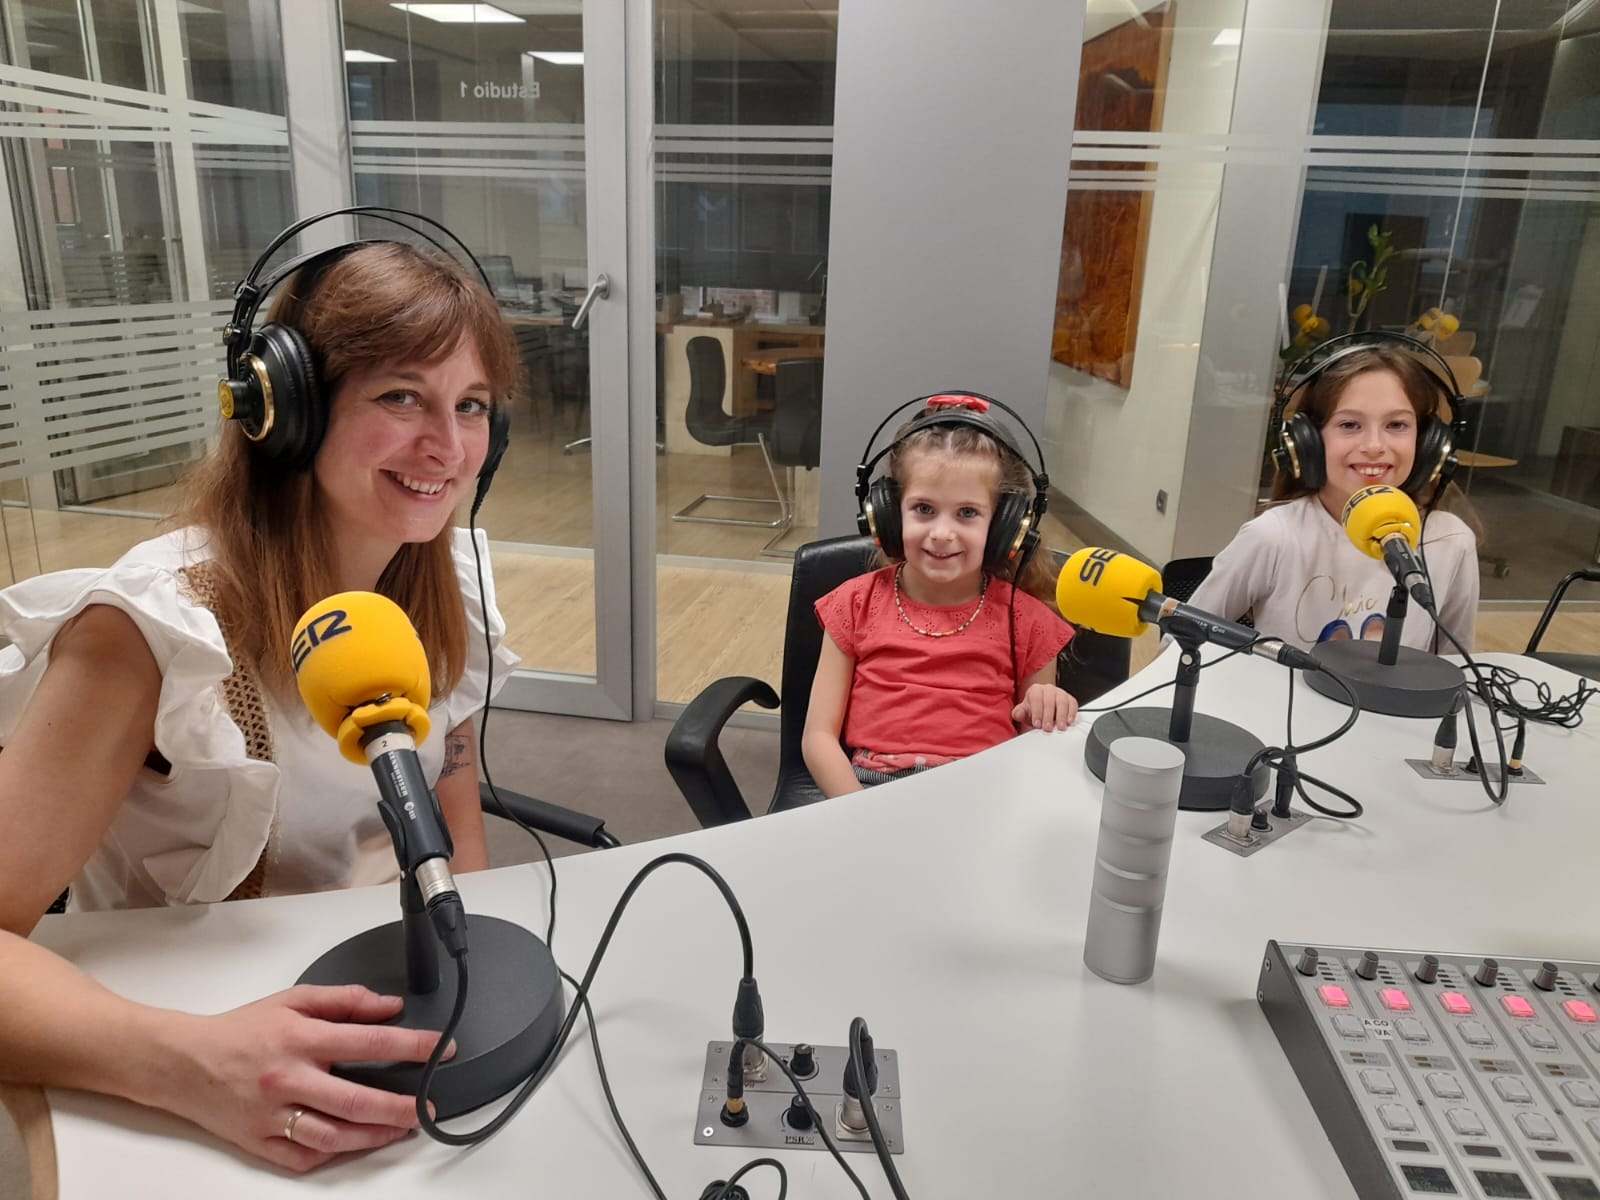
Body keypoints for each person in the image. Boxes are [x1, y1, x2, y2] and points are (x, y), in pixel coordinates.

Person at [0, 237, 521, 1171]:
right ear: (286, 410)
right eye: (401, 396)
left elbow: (453, 799)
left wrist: (474, 982)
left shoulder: (449, 597)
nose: (448, 446)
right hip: (190, 1055)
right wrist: (189, 1065)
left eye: (471, 405)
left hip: (388, 1034)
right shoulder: (152, 631)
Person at [803, 397, 1079, 798]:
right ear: (891, 516)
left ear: (1006, 526)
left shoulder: (1027, 620)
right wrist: (858, 814)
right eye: (924, 509)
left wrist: (1046, 706)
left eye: (967, 513)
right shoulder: (854, 605)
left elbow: (1032, 747)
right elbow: (818, 737)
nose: (942, 533)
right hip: (869, 791)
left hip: (983, 791)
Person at [1190, 342, 1481, 652]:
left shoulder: (1451, 541)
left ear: (1427, 445)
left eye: (1396, 425)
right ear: (1308, 442)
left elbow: (1454, 666)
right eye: (1349, 425)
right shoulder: (1274, 537)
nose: (1373, 445)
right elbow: (1181, 640)